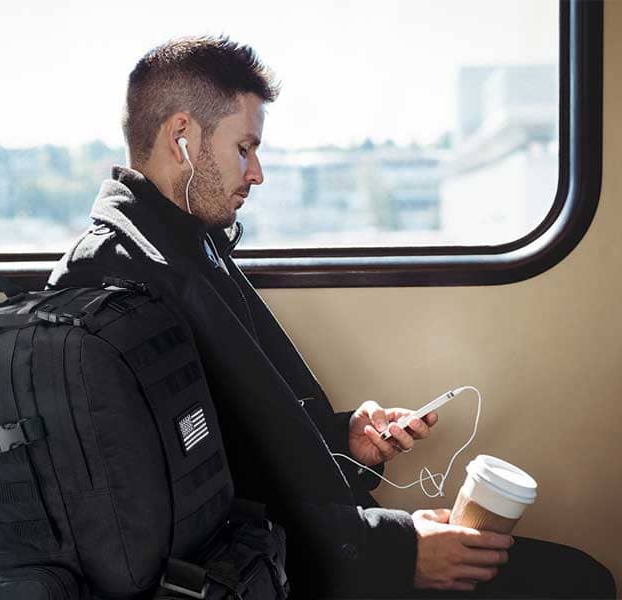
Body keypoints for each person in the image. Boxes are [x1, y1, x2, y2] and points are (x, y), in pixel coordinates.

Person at [48, 36, 615, 598]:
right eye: (244, 148)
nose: (256, 173)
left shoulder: (188, 249)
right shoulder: (121, 284)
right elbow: (204, 509)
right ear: (182, 138)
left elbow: (248, 444)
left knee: (574, 575)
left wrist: (344, 441)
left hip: (322, 545)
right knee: (579, 583)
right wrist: (398, 551)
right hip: (275, 571)